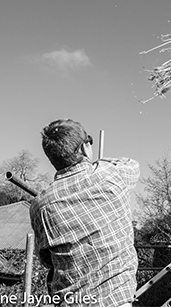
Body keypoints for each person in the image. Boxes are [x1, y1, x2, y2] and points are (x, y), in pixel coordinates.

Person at [29, 119, 140, 307]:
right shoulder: (112, 175)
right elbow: (132, 165)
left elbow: (48, 260)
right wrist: (95, 162)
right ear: (84, 147)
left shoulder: (40, 206)